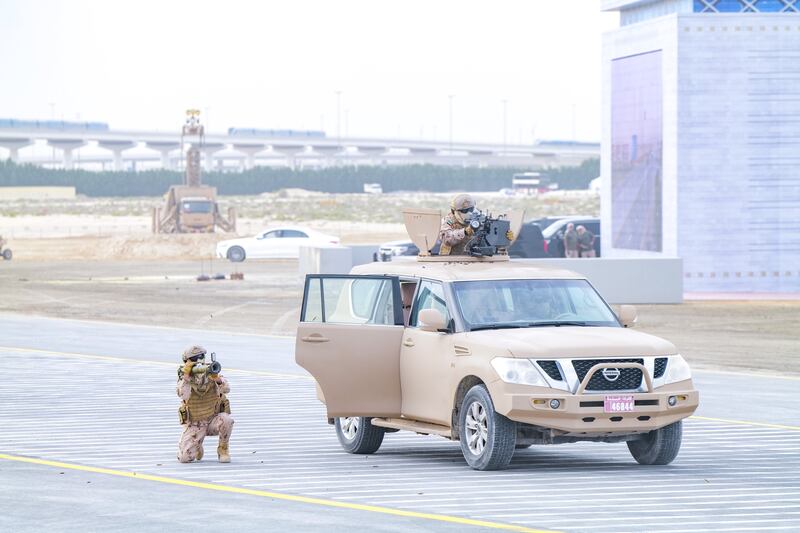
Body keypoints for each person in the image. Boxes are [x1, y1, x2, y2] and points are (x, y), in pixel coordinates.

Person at [177, 345, 234, 463]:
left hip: (213, 419)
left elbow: (227, 389)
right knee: (184, 458)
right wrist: (186, 377)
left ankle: (223, 449)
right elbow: (184, 395)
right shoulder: (184, 379)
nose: (199, 361)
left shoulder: (210, 373)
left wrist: (216, 379)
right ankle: (197, 446)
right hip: (195, 423)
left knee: (227, 419)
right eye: (194, 359)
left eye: (201, 357)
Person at [439, 194, 514, 256]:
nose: (469, 213)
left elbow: (492, 235)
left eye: (471, 209)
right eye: (464, 211)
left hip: (474, 258)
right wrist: (465, 232)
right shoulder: (448, 221)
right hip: (450, 259)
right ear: (454, 211)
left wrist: (504, 235)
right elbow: (446, 239)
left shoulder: (480, 217)